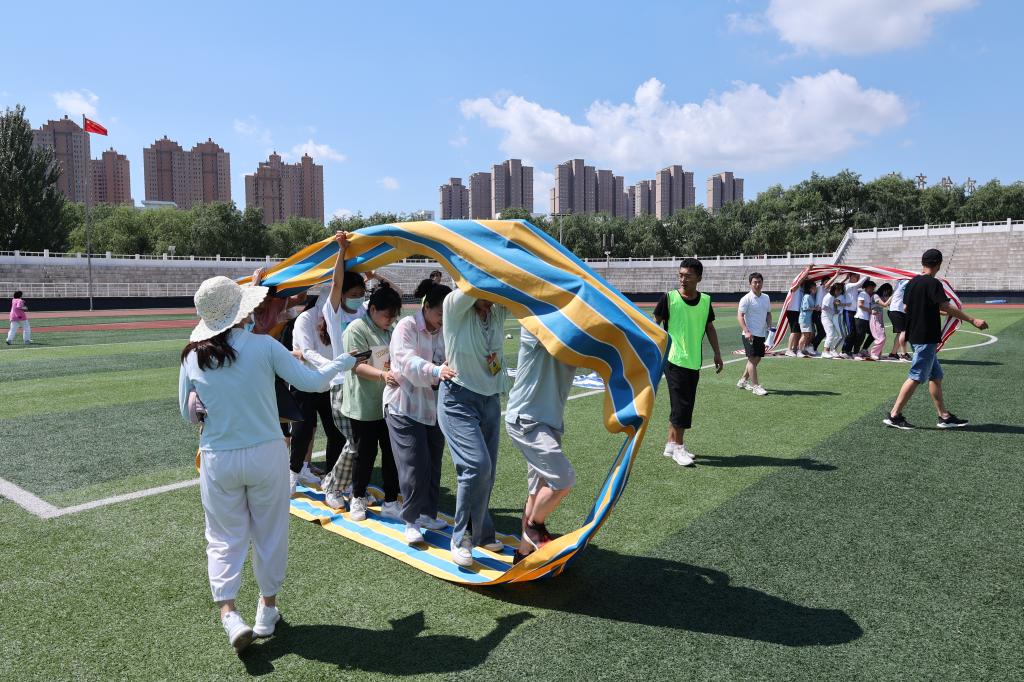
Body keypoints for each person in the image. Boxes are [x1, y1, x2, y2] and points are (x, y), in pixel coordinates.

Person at [178, 276, 358, 651]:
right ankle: (266, 609)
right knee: (270, 532)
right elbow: (313, 383)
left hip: (218, 458)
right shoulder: (263, 346)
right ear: (240, 310)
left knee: (223, 538)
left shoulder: (191, 355)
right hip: (265, 452)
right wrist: (345, 361)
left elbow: (187, 412)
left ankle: (230, 615)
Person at [437, 287, 510, 567]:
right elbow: (474, 283)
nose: (492, 298)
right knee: (476, 466)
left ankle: (483, 532)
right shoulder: (455, 305)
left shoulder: (496, 311)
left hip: (490, 399)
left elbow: (518, 290)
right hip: (458, 398)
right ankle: (461, 538)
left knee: (487, 472)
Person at [884, 249, 988, 430]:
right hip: (926, 336)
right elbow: (946, 306)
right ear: (939, 264)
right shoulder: (933, 283)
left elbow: (907, 307)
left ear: (923, 262)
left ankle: (944, 416)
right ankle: (894, 415)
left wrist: (929, 310)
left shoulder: (912, 283)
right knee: (916, 376)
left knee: (935, 376)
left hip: (916, 335)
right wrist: (972, 320)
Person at [384, 279, 455, 545]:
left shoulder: (444, 330)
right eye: (439, 313)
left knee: (433, 463)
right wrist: (437, 370)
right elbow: (406, 362)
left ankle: (427, 514)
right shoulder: (407, 326)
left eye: (447, 315)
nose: (442, 319)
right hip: (404, 405)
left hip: (433, 407)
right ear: (426, 307)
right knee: (414, 465)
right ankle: (411, 521)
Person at [505, 328, 577, 564]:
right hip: (527, 420)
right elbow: (552, 336)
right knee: (563, 480)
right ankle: (535, 526)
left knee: (537, 491)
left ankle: (523, 554)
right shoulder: (535, 325)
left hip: (549, 423)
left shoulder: (576, 331)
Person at [341, 283, 404, 523]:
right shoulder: (356, 329)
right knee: (364, 455)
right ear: (374, 309)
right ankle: (357, 497)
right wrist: (383, 375)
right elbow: (356, 366)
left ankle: (391, 500)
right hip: (364, 405)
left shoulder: (391, 330)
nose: (391, 320)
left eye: (394, 316)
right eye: (387, 315)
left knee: (391, 453)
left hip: (388, 404)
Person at [653, 258, 724, 467]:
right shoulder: (668, 298)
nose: (683, 279)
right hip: (673, 359)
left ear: (699, 278)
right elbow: (654, 325)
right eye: (681, 275)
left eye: (688, 276)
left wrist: (717, 353)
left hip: (693, 361)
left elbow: (709, 327)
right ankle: (679, 448)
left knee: (683, 403)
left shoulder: (705, 301)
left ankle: (670, 444)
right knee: (681, 405)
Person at [289, 296, 347, 493]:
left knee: (337, 432)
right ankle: (293, 473)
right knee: (302, 432)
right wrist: (334, 366)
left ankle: (333, 478)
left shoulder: (340, 317)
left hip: (329, 383)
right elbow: (306, 351)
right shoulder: (305, 319)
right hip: (305, 382)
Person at [736, 272, 770, 396]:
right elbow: (740, 316)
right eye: (755, 282)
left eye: (759, 282)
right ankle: (756, 386)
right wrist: (746, 331)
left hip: (761, 334)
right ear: (750, 284)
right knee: (752, 360)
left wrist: (769, 326)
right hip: (749, 335)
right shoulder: (746, 299)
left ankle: (743, 380)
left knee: (758, 358)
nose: (757, 284)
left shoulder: (766, 297)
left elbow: (768, 313)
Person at [841, 273, 869, 357]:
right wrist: (867, 274)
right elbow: (859, 283)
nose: (857, 278)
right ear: (850, 277)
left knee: (855, 332)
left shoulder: (856, 288)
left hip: (854, 312)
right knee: (851, 332)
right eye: (855, 276)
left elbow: (861, 284)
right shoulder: (848, 285)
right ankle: (844, 350)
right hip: (848, 311)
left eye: (858, 277)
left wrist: (867, 277)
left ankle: (849, 350)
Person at [820, 282, 846, 359]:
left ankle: (831, 351)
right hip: (826, 317)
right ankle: (825, 351)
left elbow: (836, 304)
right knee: (830, 334)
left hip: (831, 317)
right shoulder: (829, 296)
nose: (840, 292)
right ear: (834, 290)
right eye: (838, 290)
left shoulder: (834, 296)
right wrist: (834, 311)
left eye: (840, 290)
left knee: (833, 334)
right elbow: (824, 307)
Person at [851, 280, 876, 360]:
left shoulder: (868, 295)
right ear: (867, 287)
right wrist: (870, 311)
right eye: (872, 288)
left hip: (866, 319)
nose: (873, 289)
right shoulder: (863, 294)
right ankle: (855, 353)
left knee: (873, 333)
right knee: (860, 336)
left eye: (873, 288)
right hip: (860, 318)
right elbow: (860, 305)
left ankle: (864, 349)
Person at [887, 279, 910, 361]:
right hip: (897, 310)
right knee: (904, 332)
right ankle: (904, 354)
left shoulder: (901, 281)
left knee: (900, 332)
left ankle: (893, 354)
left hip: (897, 310)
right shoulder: (907, 281)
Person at [868, 283, 892, 361]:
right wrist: (892, 297)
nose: (887, 293)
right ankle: (873, 354)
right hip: (875, 318)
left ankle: (878, 354)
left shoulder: (881, 297)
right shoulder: (876, 296)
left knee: (882, 337)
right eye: (887, 291)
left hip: (879, 319)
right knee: (881, 338)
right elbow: (885, 304)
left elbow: (888, 303)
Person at [782, 277, 804, 357]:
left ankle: (795, 348)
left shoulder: (802, 288)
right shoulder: (795, 286)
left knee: (798, 331)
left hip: (798, 311)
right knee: (794, 331)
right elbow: (795, 287)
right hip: (792, 310)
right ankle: (789, 350)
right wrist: (805, 274)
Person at [796, 279, 817, 357]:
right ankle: (799, 351)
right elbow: (805, 308)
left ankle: (802, 349)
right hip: (804, 319)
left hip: (807, 319)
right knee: (805, 335)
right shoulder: (807, 296)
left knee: (807, 335)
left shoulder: (810, 296)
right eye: (814, 288)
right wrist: (815, 308)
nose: (815, 289)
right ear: (810, 289)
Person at [811, 278, 827, 352]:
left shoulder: (825, 289)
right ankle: (811, 346)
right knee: (822, 332)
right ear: (822, 282)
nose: (828, 283)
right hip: (817, 312)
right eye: (826, 281)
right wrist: (836, 275)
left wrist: (845, 279)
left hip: (821, 313)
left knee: (822, 332)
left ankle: (813, 348)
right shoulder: (820, 288)